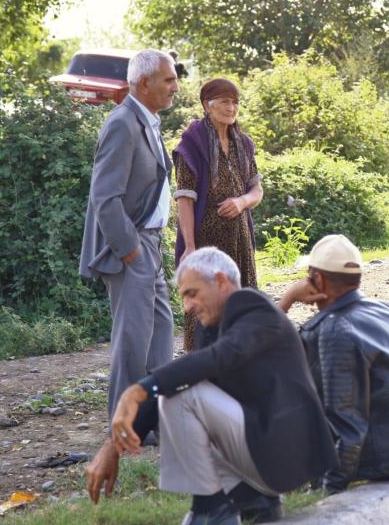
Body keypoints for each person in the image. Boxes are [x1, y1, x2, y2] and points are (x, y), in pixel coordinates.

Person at [85, 248, 338, 525]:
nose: (186, 307)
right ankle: (254, 502)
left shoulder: (254, 308)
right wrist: (113, 445)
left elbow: (218, 358)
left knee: (181, 397)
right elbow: (191, 371)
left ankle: (212, 509)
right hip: (265, 450)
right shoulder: (216, 323)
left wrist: (138, 390)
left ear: (220, 280)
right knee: (177, 391)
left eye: (192, 293)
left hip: (288, 454)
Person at [278, 234, 389, 494]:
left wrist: (329, 492)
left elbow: (348, 426)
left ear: (318, 279)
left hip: (385, 462)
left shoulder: (334, 329)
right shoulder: (388, 309)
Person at [79, 49, 178, 418]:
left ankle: (152, 420)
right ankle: (126, 428)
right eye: (168, 80)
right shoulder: (122, 122)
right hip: (133, 247)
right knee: (133, 343)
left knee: (161, 336)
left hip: (150, 243)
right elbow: (105, 197)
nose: (176, 87)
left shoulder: (148, 120)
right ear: (143, 83)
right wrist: (131, 251)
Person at [173, 78, 263, 350]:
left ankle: (241, 357)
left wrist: (242, 201)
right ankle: (202, 362)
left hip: (240, 241)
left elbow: (256, 190)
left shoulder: (243, 144)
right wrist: (189, 247)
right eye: (225, 101)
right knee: (205, 303)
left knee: (241, 300)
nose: (231, 107)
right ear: (207, 105)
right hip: (206, 242)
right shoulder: (191, 145)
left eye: (235, 102)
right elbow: (185, 200)